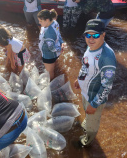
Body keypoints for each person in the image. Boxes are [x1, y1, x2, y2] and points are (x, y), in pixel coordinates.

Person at [74, 19, 116, 147]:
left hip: (94, 97)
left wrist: (94, 104)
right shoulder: (91, 46)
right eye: (88, 35)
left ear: (103, 35)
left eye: (96, 35)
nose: (91, 39)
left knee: (92, 124)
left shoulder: (107, 57)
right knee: (88, 113)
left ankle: (87, 141)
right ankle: (87, 122)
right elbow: (86, 65)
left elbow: (107, 86)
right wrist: (79, 78)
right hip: (86, 91)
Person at [38, 9, 65, 80]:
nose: (39, 22)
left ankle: (51, 84)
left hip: (48, 55)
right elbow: (58, 34)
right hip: (55, 51)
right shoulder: (55, 22)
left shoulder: (48, 33)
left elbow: (51, 48)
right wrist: (61, 43)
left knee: (49, 71)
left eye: (41, 21)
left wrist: (60, 49)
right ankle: (53, 65)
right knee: (52, 66)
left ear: (47, 20)